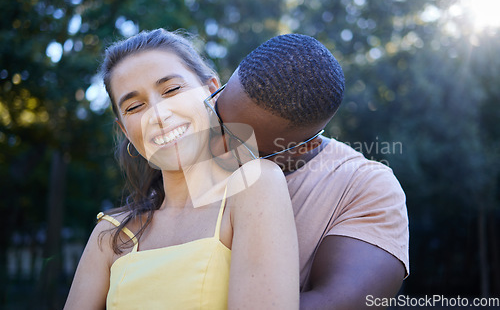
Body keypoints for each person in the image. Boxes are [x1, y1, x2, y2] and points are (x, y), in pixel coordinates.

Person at [64, 29, 300, 309]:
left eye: (172, 90)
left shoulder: (255, 186)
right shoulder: (110, 235)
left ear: (212, 91)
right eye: (135, 106)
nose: (158, 115)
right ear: (125, 131)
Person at [210, 33, 409, 309]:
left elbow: (338, 302)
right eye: (217, 118)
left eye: (241, 146)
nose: (216, 146)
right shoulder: (185, 138)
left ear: (304, 147)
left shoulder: (365, 187)